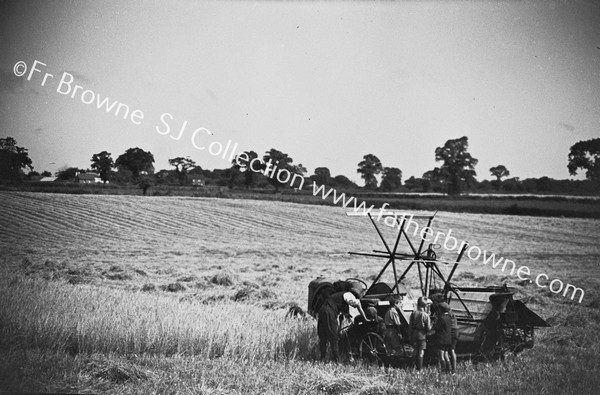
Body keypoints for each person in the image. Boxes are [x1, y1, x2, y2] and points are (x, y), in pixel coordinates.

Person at [317, 286, 368, 362]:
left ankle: (322, 358)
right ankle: (337, 361)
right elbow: (358, 305)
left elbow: (342, 314)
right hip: (329, 312)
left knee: (323, 337)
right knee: (334, 337)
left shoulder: (341, 296)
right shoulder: (349, 295)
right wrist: (365, 318)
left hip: (322, 310)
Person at [409, 296, 433, 371]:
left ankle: (412, 366)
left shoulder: (413, 313)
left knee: (415, 350)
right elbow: (428, 328)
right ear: (425, 306)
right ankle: (420, 369)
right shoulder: (425, 315)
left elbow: (410, 326)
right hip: (422, 335)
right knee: (421, 352)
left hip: (414, 333)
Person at [433, 302, 453, 373]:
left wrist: (434, 323)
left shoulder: (442, 318)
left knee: (441, 356)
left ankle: (443, 370)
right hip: (448, 339)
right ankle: (449, 370)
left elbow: (437, 327)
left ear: (441, 310)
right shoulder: (449, 317)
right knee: (446, 355)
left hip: (442, 339)